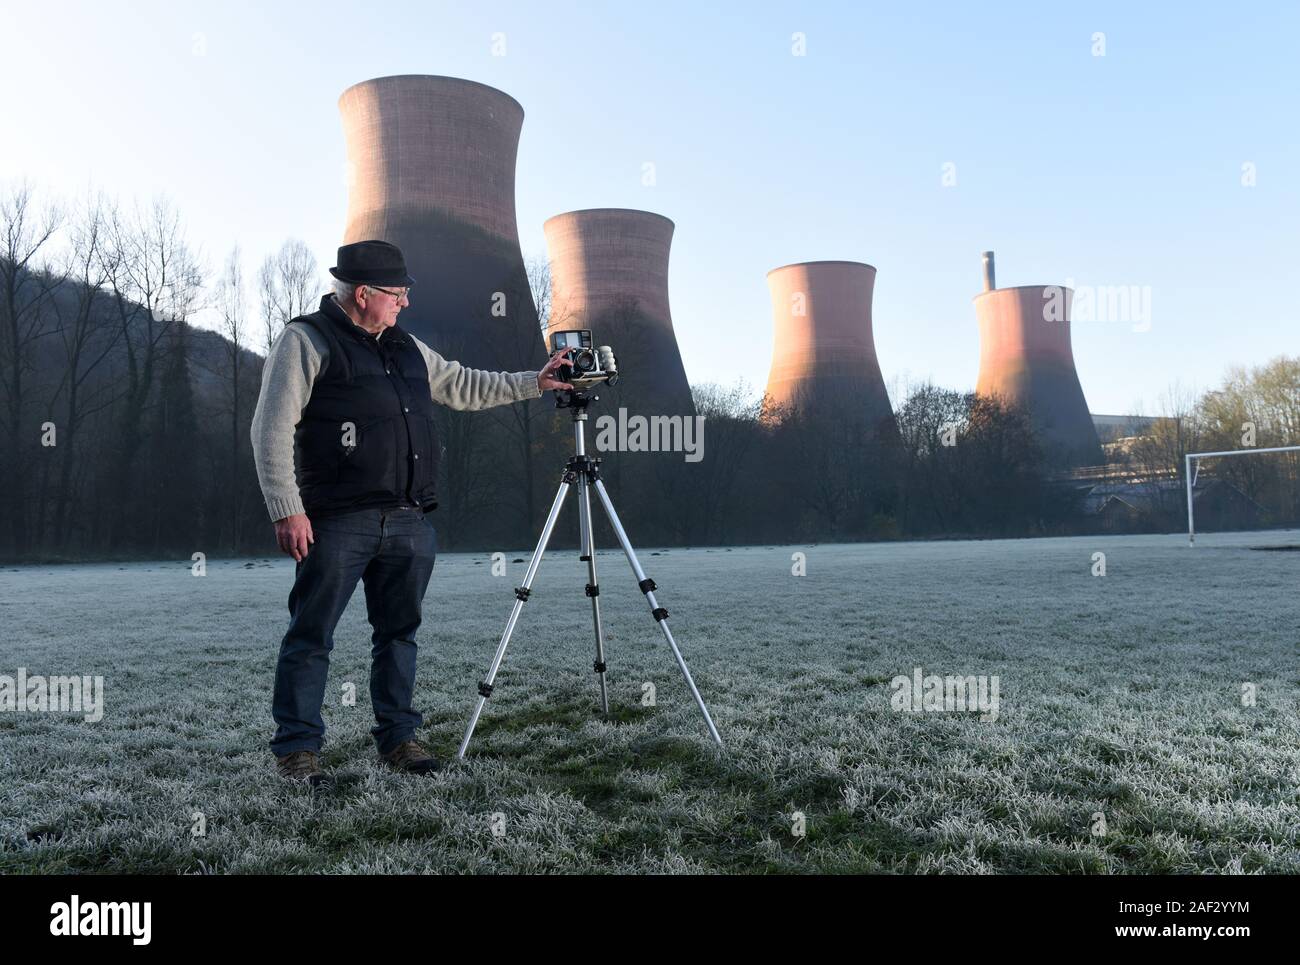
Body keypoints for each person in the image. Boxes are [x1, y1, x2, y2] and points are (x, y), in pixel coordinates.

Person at [250, 239, 574, 784]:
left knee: (399, 634)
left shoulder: (406, 347)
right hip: (335, 519)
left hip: (407, 519)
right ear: (362, 295)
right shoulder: (306, 340)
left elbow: (465, 385)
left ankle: (398, 738)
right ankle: (297, 751)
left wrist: (534, 382)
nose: (404, 303)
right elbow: (271, 427)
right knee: (311, 635)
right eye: (397, 295)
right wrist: (287, 509)